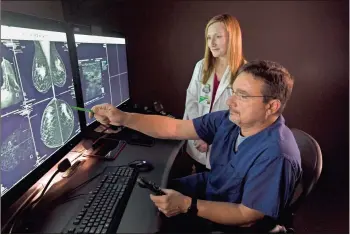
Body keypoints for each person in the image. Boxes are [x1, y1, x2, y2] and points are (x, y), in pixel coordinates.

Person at [90, 60, 302, 233]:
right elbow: (174, 128)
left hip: (234, 222)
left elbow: (247, 216)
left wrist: (186, 205)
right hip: (213, 189)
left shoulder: (276, 155)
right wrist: (123, 118)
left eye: (243, 96)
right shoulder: (229, 120)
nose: (230, 102)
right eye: (233, 92)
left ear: (272, 106)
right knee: (143, 201)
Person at [183, 14, 246, 171]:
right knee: (196, 180)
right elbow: (192, 101)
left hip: (224, 146)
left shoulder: (245, 73)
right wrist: (200, 134)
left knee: (216, 190)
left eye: (218, 37)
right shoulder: (201, 66)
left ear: (233, 38)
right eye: (209, 37)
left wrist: (211, 138)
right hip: (197, 142)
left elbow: (241, 116)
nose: (212, 43)